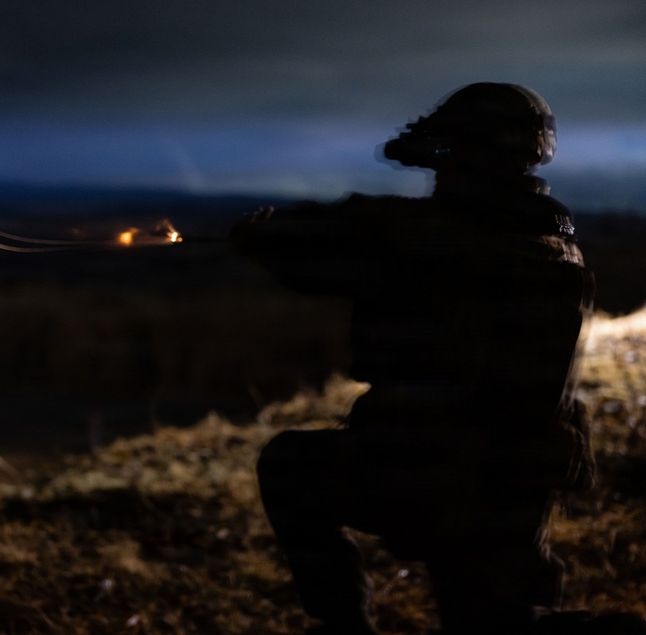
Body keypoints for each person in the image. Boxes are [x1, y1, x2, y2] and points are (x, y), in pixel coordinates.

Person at [233, 83, 641, 634]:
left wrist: (261, 236)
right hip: (512, 478)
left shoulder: (426, 238)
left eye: (449, 154)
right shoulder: (553, 242)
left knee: (287, 468)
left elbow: (321, 254)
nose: (441, 171)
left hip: (432, 464)